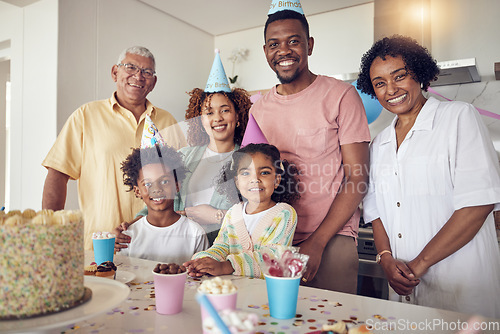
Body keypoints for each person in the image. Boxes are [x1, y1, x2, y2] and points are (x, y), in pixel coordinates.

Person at [357, 35, 500, 318]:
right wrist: (386, 259)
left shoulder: (458, 117)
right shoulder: (379, 143)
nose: (391, 89)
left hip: (461, 283)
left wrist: (419, 265)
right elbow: (375, 212)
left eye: (400, 76)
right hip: (402, 287)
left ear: (420, 75)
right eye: (380, 83)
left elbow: (478, 204)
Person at [249, 3, 371, 292]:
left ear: (309, 45)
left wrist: (317, 242)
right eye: (274, 44)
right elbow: (255, 179)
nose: (284, 51)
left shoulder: (341, 95)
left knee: (333, 321)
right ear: (265, 51)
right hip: (275, 237)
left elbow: (358, 178)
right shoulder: (259, 109)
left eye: (294, 41)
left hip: (331, 237)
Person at [41, 46, 185, 250]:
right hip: (100, 245)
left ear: (153, 82)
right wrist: (50, 232)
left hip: (158, 246)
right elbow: (58, 173)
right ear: (115, 72)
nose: (138, 76)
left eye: (147, 72)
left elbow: (181, 184)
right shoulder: (85, 116)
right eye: (131, 67)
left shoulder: (168, 121)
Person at [121, 50, 251, 246]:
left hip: (223, 256)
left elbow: (259, 216)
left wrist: (217, 216)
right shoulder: (184, 157)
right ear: (201, 120)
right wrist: (129, 226)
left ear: (238, 117)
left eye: (225, 110)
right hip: (178, 250)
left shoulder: (248, 163)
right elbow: (159, 202)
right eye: (209, 112)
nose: (217, 118)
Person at [183, 143, 300, 278]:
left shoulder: (284, 214)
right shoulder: (233, 213)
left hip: (264, 291)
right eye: (245, 173)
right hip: (233, 289)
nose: (255, 179)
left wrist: (226, 266)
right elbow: (222, 246)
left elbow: (274, 258)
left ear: (277, 180)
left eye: (264, 172)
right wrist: (203, 260)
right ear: (237, 182)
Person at [113, 145, 208, 263]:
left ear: (177, 185)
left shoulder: (196, 233)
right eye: (147, 184)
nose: (156, 189)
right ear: (138, 191)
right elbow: (123, 276)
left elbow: (203, 278)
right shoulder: (128, 236)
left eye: (164, 181)